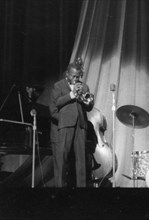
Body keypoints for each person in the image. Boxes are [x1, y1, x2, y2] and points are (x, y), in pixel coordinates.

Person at [49, 58, 94, 187]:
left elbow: (89, 106)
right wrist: (71, 95)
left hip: (80, 125)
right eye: (74, 76)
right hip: (64, 125)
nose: (76, 79)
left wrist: (88, 103)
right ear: (67, 74)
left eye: (78, 76)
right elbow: (55, 103)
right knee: (61, 161)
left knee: (81, 162)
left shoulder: (84, 86)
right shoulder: (58, 86)